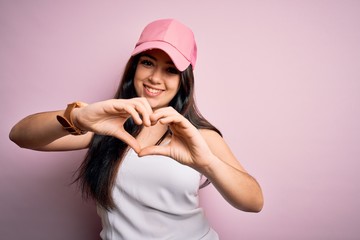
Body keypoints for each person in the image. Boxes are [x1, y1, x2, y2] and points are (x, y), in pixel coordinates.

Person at [9, 19, 263, 239]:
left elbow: (253, 202)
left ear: (184, 80)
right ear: (135, 67)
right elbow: (20, 135)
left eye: (171, 70)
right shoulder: (106, 125)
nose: (155, 78)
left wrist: (207, 163)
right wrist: (77, 117)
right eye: (148, 62)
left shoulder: (200, 136)